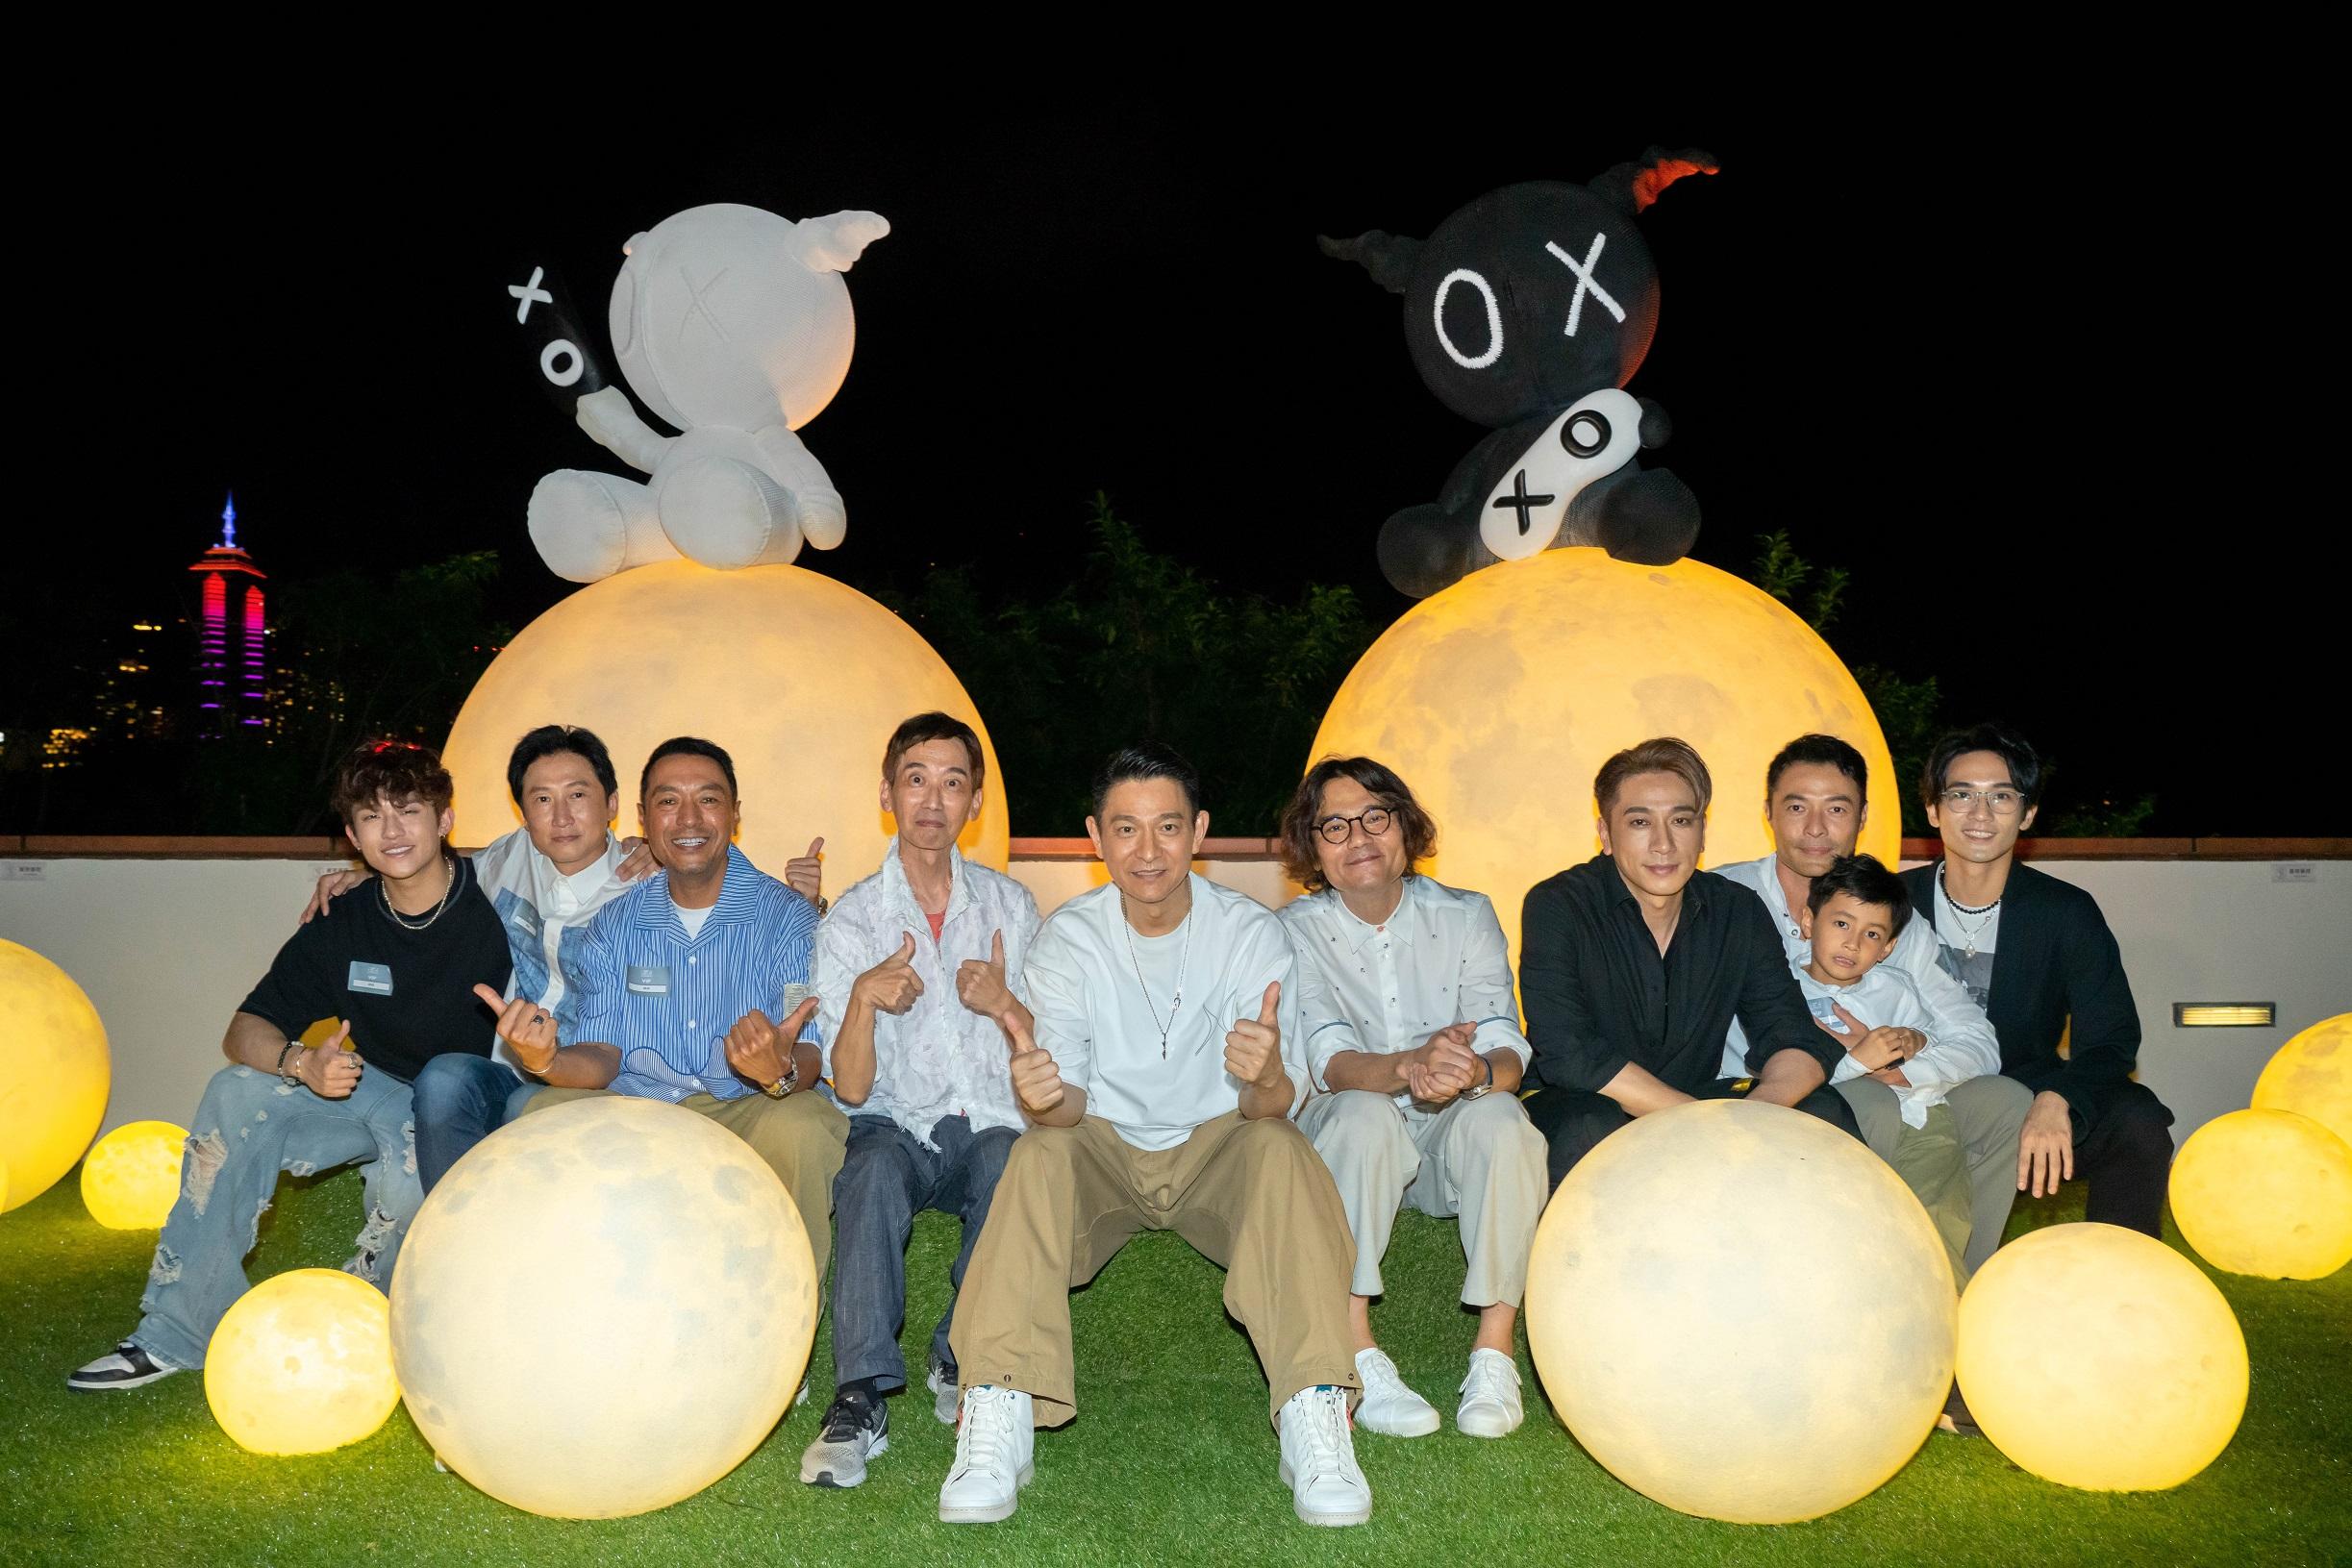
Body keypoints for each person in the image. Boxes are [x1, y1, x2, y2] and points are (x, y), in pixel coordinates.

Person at [938, 744, 1371, 1529]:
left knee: (1282, 1149)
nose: (1148, 850)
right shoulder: (1068, 939)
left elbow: (1273, 1105)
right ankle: (999, 1399)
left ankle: (1314, 1402)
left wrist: (1267, 1073)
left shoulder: (1249, 932)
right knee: (1036, 1151)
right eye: (1126, 828)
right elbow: (1066, 1108)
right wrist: (1042, 1094)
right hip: (1104, 1143)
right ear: (1095, 837)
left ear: (1198, 830)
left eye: (1168, 826)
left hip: (1218, 1141)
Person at [69, 740, 511, 1390]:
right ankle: (176, 1333)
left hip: (457, 1106)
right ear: (352, 837)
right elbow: (244, 1028)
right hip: (368, 1084)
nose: (391, 831)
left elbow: (575, 867)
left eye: (409, 810)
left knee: (411, 1170)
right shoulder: (343, 918)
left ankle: (360, 1325)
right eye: (371, 816)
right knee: (236, 1090)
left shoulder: (497, 900)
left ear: (444, 819)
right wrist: (300, 1062)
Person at [481, 735, 848, 1284]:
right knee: (542, 1111)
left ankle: (784, 1315)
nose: (688, 818)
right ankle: (575, 1302)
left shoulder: (786, 917)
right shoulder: (616, 924)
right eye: (669, 801)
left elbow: (809, 1046)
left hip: (750, 1105)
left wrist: (779, 1071)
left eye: (708, 799)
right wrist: (546, 1060)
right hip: (642, 1106)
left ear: (735, 814)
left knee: (803, 1127)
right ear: (644, 818)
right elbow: (603, 1051)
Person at [800, 713, 1039, 1490]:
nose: (933, 799)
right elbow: (851, 1088)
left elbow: (1050, 1046)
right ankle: (858, 1395)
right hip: (894, 1119)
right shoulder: (852, 919)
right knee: (869, 1169)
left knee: (1014, 1159)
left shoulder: (1012, 907)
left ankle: (956, 1351)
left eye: (952, 781)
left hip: (988, 1115)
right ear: (887, 794)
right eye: (916, 779)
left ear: (975, 801)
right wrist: (864, 999)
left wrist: (1005, 1004)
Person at [1276, 757, 1544, 1441]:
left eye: (1375, 816)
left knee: (1503, 1117)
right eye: (1334, 826)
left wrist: (1471, 1073)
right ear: (1312, 846)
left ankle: (1494, 1352)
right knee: (1363, 1113)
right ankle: (1356, 1351)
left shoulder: (1467, 914)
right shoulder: (1293, 930)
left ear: (1405, 826)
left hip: (1449, 1124)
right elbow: (1331, 1061)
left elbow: (1506, 1044)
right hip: (1353, 1128)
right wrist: (1410, 1064)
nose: (1359, 837)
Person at [1716, 734, 2028, 1276]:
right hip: (1760, 1087)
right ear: (1768, 812)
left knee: (2006, 1102)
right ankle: (1869, 1279)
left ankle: (1960, 1286)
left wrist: (1903, 1065)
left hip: (1889, 1086)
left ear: (1862, 817)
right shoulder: (1723, 898)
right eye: (1797, 807)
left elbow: (1975, 1037)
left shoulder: (1893, 921)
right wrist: (1845, 1061)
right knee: (1872, 1106)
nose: (1816, 828)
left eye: (1837, 809)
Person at [303, 725, 654, 1189]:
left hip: (609, 1080)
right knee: (445, 1076)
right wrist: (370, 875)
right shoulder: (509, 858)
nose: (561, 817)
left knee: (525, 1108)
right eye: (542, 799)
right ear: (523, 813)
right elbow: (431, 865)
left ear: (611, 804)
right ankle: (449, 1223)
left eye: (577, 795)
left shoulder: (648, 890)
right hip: (514, 1073)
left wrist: (657, 851)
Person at [1518, 736, 1859, 1188]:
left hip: (1693, 1098)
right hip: (1579, 1099)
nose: (1663, 844)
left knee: (1821, 1109)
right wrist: (1702, 1122)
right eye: (1640, 822)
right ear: (1606, 834)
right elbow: (1569, 1051)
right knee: (1591, 1126)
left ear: (1702, 832)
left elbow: (1790, 1031)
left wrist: (1764, 1110)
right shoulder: (1559, 904)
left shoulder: (1736, 909)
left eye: (1681, 820)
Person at [1902, 724, 2173, 1236]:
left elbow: (2111, 1038)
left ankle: (2121, 1272)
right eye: (1961, 795)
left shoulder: (2065, 912)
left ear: (2027, 814)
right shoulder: (1891, 903)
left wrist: (2056, 1097)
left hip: (2025, 1094)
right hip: (1911, 1092)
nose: (1980, 814)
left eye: (2001, 796)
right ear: (1934, 810)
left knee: (2137, 1121)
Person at [1787, 855, 1976, 1282]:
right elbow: (1775, 1075)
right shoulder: (1783, 992)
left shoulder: (1896, 987)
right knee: (1865, 1225)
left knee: (1935, 1218)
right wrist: (1857, 1061)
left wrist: (1917, 1040)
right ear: (1808, 921)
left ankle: (1947, 1297)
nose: (1852, 944)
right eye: (1841, 924)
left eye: (1871, 934)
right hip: (1839, 1123)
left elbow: (1934, 1039)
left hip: (1921, 1115)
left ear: (1888, 947)